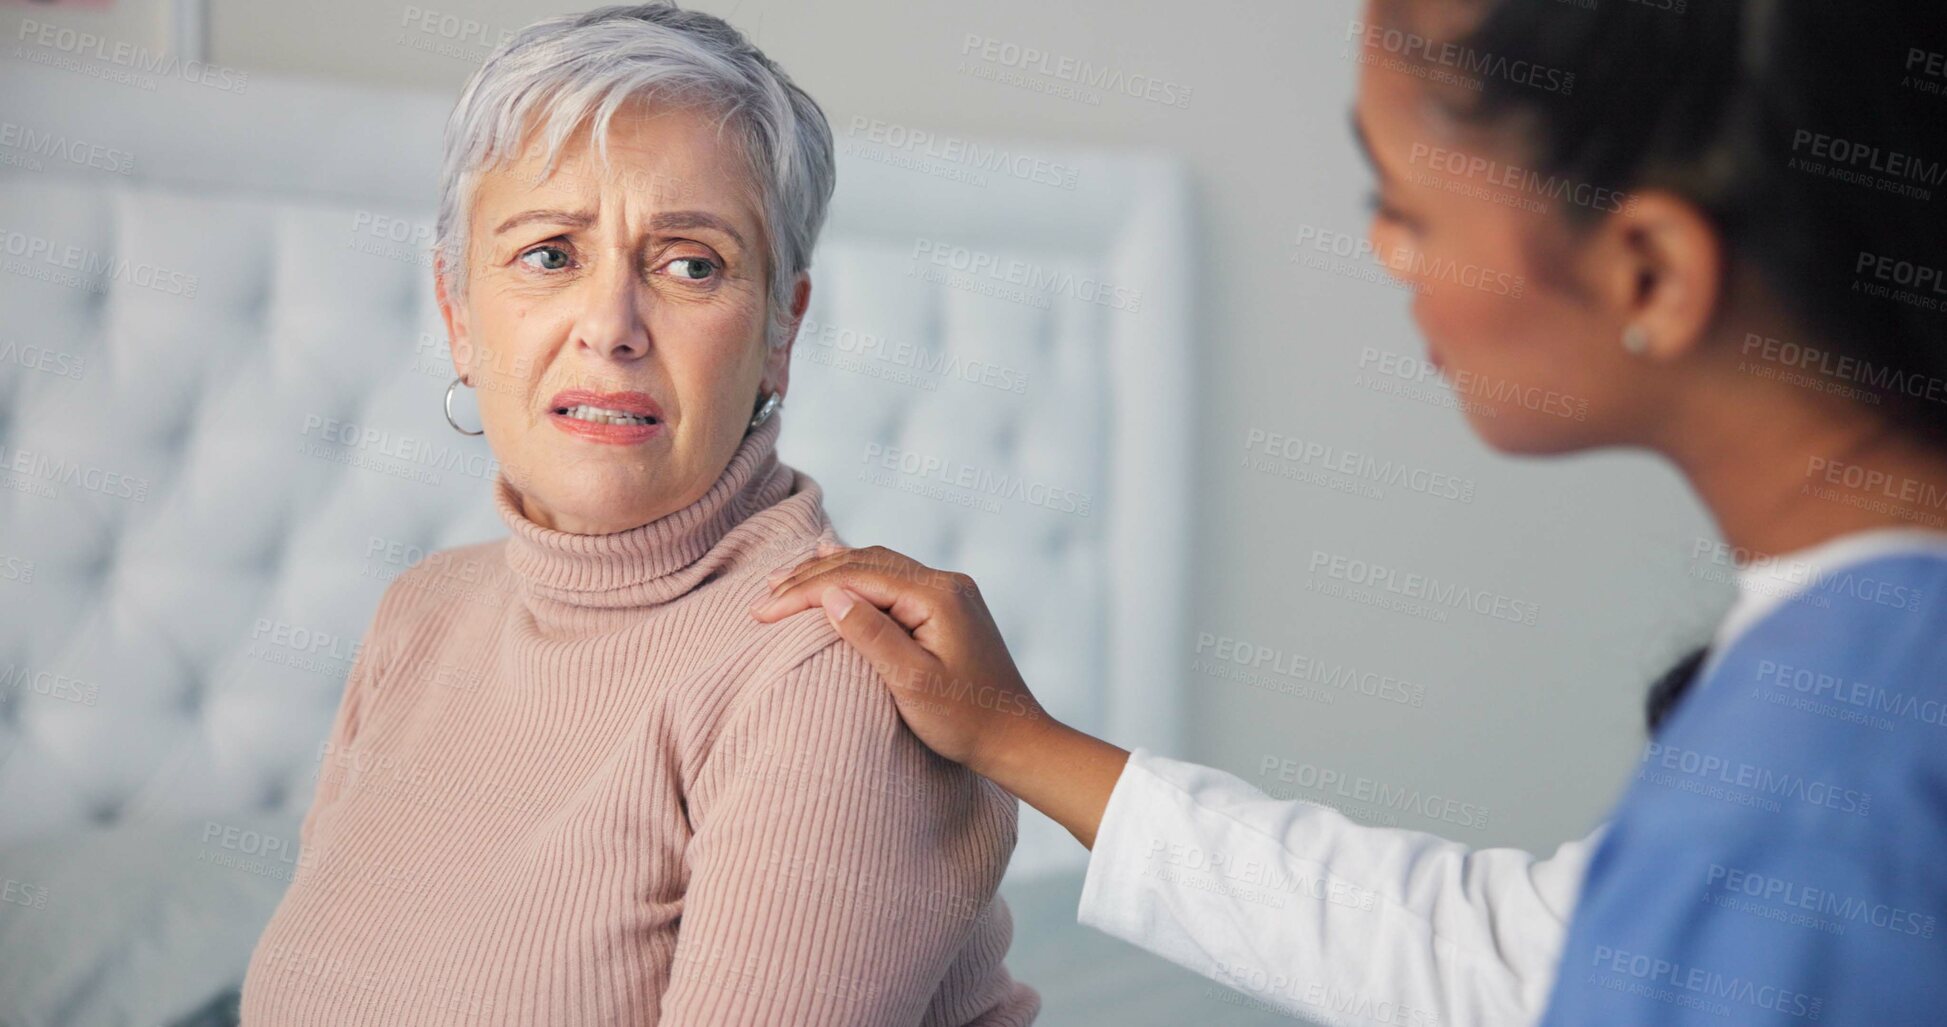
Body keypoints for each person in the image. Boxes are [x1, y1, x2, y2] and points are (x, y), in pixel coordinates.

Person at [755, 1, 1947, 1023]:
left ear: (1651, 272)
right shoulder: (1853, 683)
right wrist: (1019, 739)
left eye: (1407, 209)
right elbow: (1527, 963)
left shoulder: (1829, 771)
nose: (1383, 251)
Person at [241, 6, 1038, 1024]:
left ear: (780, 330)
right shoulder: (422, 616)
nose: (611, 327)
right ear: (458, 315)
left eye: (690, 263)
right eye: (548, 254)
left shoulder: (826, 670)